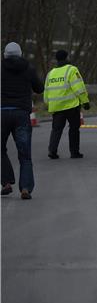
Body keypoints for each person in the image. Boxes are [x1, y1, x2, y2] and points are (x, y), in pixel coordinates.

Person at [1, 42, 44, 199]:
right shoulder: (28, 68)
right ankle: (25, 188)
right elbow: (39, 88)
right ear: (20, 54)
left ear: (5, 55)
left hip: (2, 113)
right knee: (25, 154)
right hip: (21, 115)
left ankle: (6, 182)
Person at [44, 50, 90, 159]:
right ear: (67, 57)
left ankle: (52, 151)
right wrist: (85, 101)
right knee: (74, 129)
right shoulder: (71, 70)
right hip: (71, 106)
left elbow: (46, 92)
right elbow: (78, 87)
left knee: (56, 129)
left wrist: (48, 104)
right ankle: (74, 152)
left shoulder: (50, 73)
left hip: (56, 107)